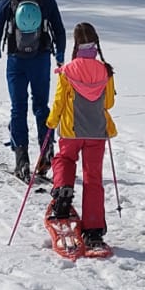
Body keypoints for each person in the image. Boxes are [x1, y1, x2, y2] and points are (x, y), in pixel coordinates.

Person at [0, 0, 67, 180]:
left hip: (16, 60)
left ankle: (21, 160)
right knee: (41, 105)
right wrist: (59, 56)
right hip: (41, 58)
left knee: (18, 107)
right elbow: (59, 30)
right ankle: (47, 151)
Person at [46, 21, 116, 252]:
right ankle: (94, 229)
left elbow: (58, 100)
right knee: (93, 178)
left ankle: (63, 190)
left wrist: (51, 121)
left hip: (70, 130)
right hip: (96, 132)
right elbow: (109, 103)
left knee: (64, 160)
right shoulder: (105, 70)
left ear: (76, 44)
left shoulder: (68, 70)